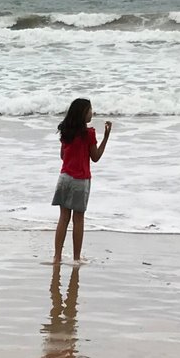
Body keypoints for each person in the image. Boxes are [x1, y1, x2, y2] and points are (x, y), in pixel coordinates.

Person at [52, 98, 112, 263]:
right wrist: (106, 137)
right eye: (90, 109)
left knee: (63, 218)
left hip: (64, 178)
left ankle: (57, 256)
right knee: (78, 220)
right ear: (82, 113)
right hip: (80, 180)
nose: (92, 112)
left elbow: (63, 156)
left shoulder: (66, 131)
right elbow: (95, 157)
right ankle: (76, 258)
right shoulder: (89, 133)